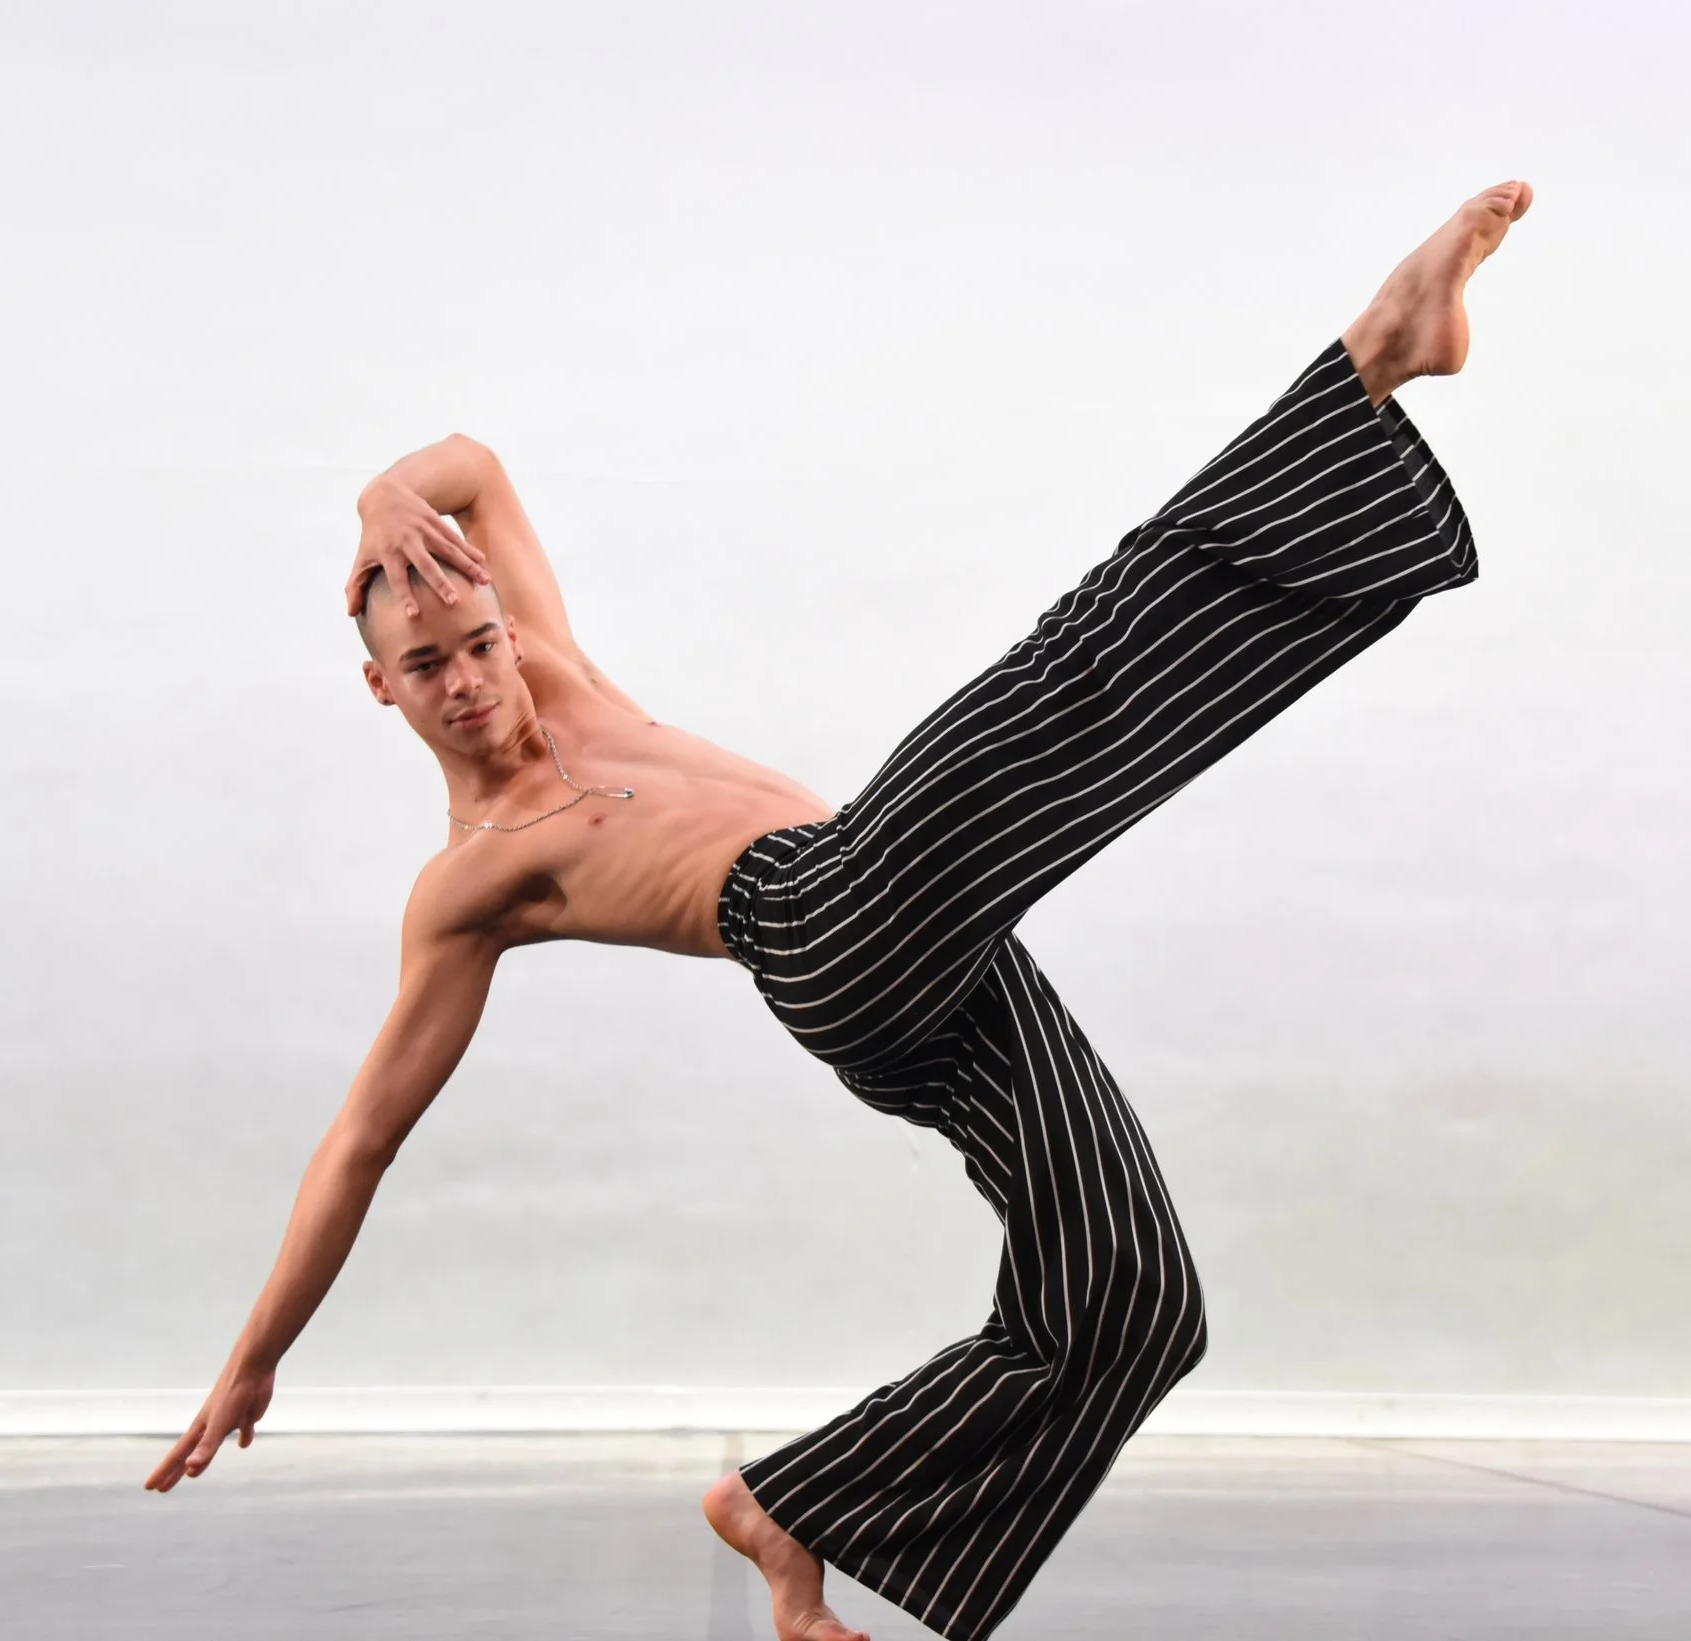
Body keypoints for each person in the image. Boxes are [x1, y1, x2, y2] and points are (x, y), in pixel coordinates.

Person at [145, 180, 1534, 1641]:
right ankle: (1371, 360)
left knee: (1133, 1294)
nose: (473, 675)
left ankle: (789, 1511)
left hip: (924, 933)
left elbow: (469, 466)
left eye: (477, 636)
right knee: (1064, 677)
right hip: (826, 924)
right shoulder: (471, 882)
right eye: (429, 664)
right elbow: (361, 1138)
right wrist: (254, 1358)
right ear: (383, 686)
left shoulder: (549, 667)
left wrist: (382, 494)